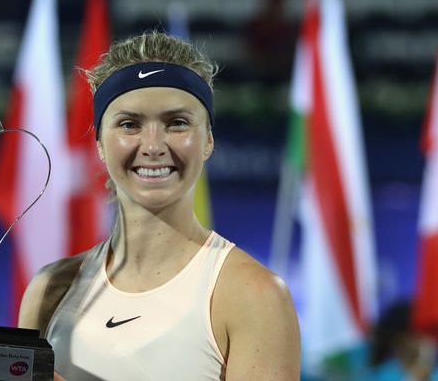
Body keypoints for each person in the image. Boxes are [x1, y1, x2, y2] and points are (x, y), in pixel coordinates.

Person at [17, 31, 301, 380]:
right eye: (129, 124)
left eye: (177, 123)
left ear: (208, 140)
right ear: (100, 145)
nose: (153, 146)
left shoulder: (254, 296)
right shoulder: (49, 288)